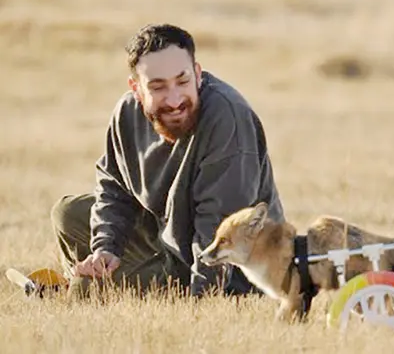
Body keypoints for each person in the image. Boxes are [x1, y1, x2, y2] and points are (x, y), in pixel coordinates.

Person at [50, 23, 285, 299]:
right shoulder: (126, 115)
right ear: (136, 89)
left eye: (182, 81)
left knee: (86, 291)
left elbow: (220, 231)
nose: (174, 100)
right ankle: (108, 275)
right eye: (158, 87)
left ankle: (102, 286)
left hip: (235, 272)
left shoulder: (226, 118)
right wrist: (106, 249)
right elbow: (114, 189)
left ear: (197, 75)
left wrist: (202, 303)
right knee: (66, 214)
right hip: (170, 238)